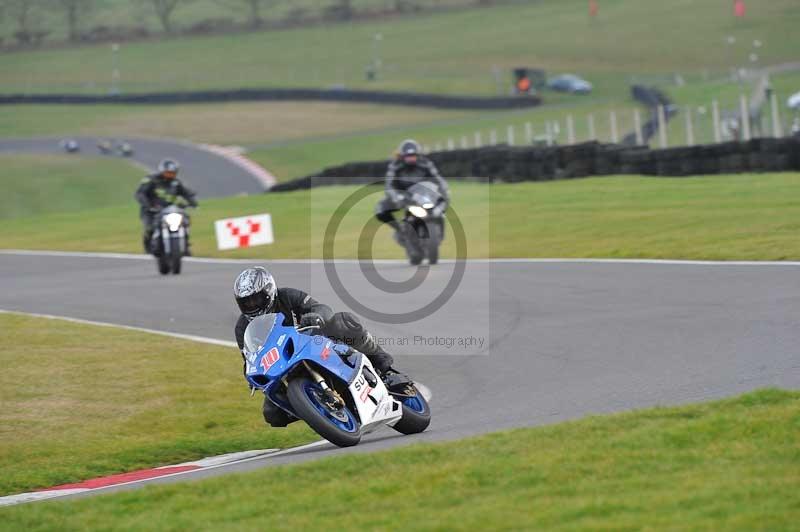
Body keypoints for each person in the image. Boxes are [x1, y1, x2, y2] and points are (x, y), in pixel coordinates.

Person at [233, 266, 399, 427]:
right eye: (246, 302)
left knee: (344, 322)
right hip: (281, 365)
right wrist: (252, 375)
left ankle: (384, 366)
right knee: (272, 414)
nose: (252, 304)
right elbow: (249, 357)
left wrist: (315, 316)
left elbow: (320, 307)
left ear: (269, 291)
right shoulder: (242, 327)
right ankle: (316, 410)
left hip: (314, 343)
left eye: (256, 298)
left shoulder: (288, 296)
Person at [375, 139, 450, 239]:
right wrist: (396, 197)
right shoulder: (395, 166)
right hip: (402, 196)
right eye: (408, 156)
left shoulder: (426, 163)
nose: (411, 158)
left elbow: (438, 178)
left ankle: (440, 232)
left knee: (440, 207)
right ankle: (400, 229)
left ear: (418, 155)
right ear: (402, 156)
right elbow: (388, 185)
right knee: (380, 210)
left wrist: (444, 190)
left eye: (413, 156)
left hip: (423, 194)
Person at [134, 159, 198, 253]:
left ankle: (185, 244)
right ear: (162, 171)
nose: (170, 175)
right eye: (168, 173)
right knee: (150, 228)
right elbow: (140, 194)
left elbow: (186, 193)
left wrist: (192, 203)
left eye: (172, 173)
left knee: (184, 220)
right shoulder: (151, 180)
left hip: (170, 210)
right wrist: (148, 205)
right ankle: (148, 247)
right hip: (151, 211)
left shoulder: (176, 183)